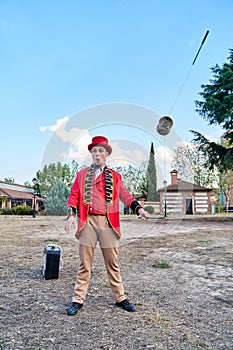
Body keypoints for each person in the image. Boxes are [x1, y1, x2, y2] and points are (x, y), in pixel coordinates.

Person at [65, 136, 150, 316]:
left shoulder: (115, 176)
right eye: (94, 151)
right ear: (91, 154)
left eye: (101, 151)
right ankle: (77, 300)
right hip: (87, 222)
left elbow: (125, 195)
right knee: (84, 264)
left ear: (106, 154)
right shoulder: (81, 175)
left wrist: (139, 209)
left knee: (113, 263)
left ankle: (120, 298)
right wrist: (71, 215)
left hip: (108, 223)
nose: (97, 154)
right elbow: (73, 196)